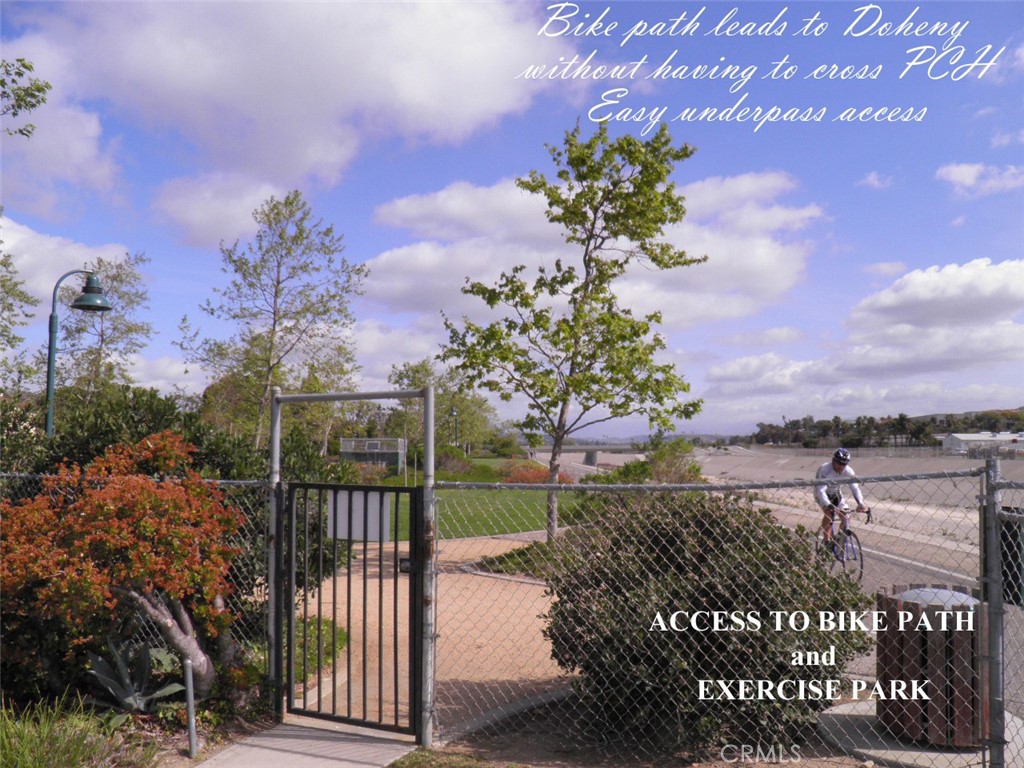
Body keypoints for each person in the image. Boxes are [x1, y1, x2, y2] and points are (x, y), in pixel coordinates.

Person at [814, 447, 867, 545]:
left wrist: (861, 503)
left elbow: (855, 488)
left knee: (846, 516)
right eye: (839, 463)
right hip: (821, 493)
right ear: (833, 460)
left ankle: (838, 539)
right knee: (829, 514)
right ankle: (827, 542)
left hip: (836, 493)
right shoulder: (825, 470)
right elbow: (821, 491)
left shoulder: (849, 471)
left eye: (844, 464)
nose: (841, 466)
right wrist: (828, 505)